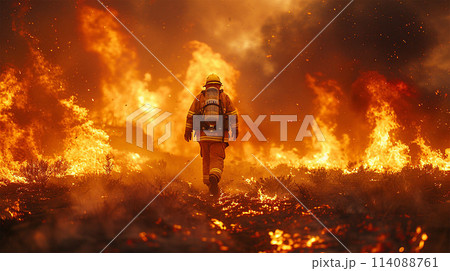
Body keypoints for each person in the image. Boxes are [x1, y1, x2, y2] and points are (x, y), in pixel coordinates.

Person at [184, 73, 238, 196]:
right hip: (218, 137)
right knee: (217, 158)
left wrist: (188, 131)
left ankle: (208, 183)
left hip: (203, 136)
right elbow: (233, 115)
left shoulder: (199, 97)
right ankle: (214, 177)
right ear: (219, 86)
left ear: (206, 86)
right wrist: (235, 130)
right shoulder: (224, 97)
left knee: (206, 160)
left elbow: (190, 115)